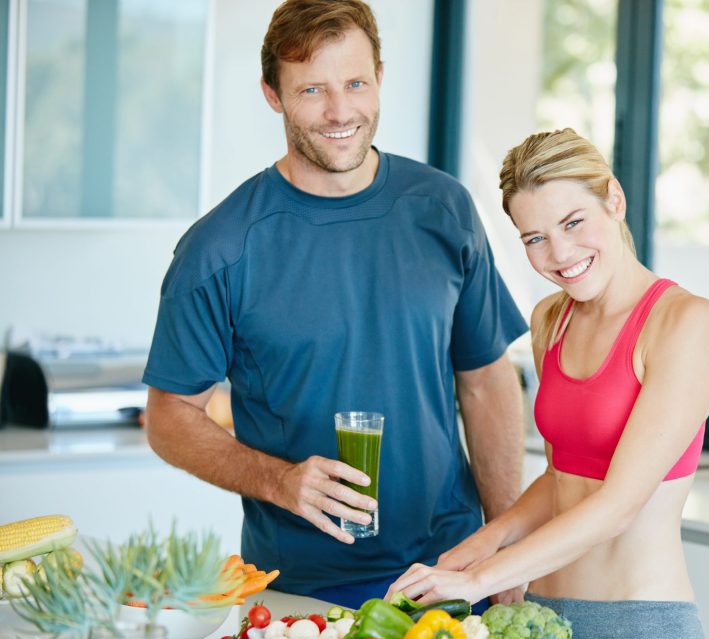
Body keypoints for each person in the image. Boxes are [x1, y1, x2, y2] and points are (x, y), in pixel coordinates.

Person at [142, 0, 528, 607]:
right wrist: (279, 479)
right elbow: (168, 417)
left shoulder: (443, 209)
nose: (340, 110)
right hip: (302, 594)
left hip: (454, 573)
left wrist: (507, 551)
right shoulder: (221, 248)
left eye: (355, 83)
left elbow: (485, 381)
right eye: (312, 89)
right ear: (273, 94)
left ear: (380, 77)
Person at [386, 128, 709, 639]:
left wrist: (480, 581)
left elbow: (618, 505)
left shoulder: (684, 322)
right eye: (534, 238)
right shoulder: (551, 320)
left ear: (613, 199)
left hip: (640, 631)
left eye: (573, 223)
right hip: (541, 626)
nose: (560, 255)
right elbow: (564, 476)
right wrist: (479, 546)